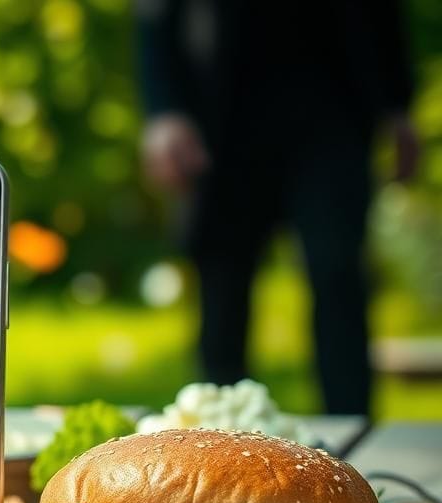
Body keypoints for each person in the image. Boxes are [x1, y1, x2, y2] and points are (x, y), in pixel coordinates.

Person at [136, 0, 419, 415]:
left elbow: (382, 13)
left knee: (338, 272)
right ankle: (217, 439)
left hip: (333, 105)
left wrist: (397, 103)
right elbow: (154, 14)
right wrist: (164, 108)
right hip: (221, 111)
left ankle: (351, 430)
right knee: (222, 284)